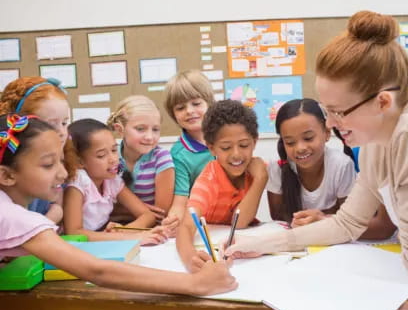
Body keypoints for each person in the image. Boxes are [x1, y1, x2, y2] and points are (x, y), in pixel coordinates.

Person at [225, 11, 408, 310]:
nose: (331, 124)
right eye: (327, 111)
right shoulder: (376, 138)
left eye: (338, 112)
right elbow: (347, 223)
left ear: (383, 102)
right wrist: (263, 243)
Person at [0, 114, 237, 296]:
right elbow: (97, 271)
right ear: (7, 175)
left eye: (62, 161)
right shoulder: (10, 215)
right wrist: (196, 283)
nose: (64, 174)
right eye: (48, 165)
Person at [176, 100, 267, 272]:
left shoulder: (258, 171)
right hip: (216, 253)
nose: (236, 154)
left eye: (244, 145)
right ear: (212, 148)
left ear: (254, 142)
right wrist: (190, 258)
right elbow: (185, 227)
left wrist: (261, 178)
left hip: (243, 255)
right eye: (225, 148)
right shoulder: (209, 180)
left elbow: (239, 224)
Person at [63, 118, 165, 244]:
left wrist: (124, 230)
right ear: (79, 162)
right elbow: (74, 233)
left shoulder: (112, 179)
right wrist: (130, 237)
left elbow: (147, 215)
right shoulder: (78, 182)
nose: (113, 159)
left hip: (98, 242)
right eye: (101, 155)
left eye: (114, 150)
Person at [267, 98, 356, 227]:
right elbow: (277, 217)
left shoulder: (341, 165)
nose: (300, 148)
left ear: (326, 133)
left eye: (308, 138)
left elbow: (350, 217)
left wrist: (322, 219)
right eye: (290, 142)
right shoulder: (277, 168)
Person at [0, 76, 76, 224]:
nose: (61, 132)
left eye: (65, 123)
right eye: (50, 124)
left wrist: (57, 210)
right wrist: (48, 220)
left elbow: (57, 204)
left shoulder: (65, 158)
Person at [107, 95, 177, 234]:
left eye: (155, 129)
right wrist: (141, 209)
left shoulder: (161, 159)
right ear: (120, 129)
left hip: (149, 230)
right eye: (140, 129)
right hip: (111, 227)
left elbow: (160, 214)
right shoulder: (112, 158)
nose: (150, 137)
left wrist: (123, 212)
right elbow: (104, 208)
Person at [163, 70, 215, 225]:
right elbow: (180, 201)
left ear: (209, 104)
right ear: (174, 115)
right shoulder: (178, 154)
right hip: (203, 222)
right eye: (180, 108)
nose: (189, 111)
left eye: (196, 103)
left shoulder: (226, 139)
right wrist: (173, 221)